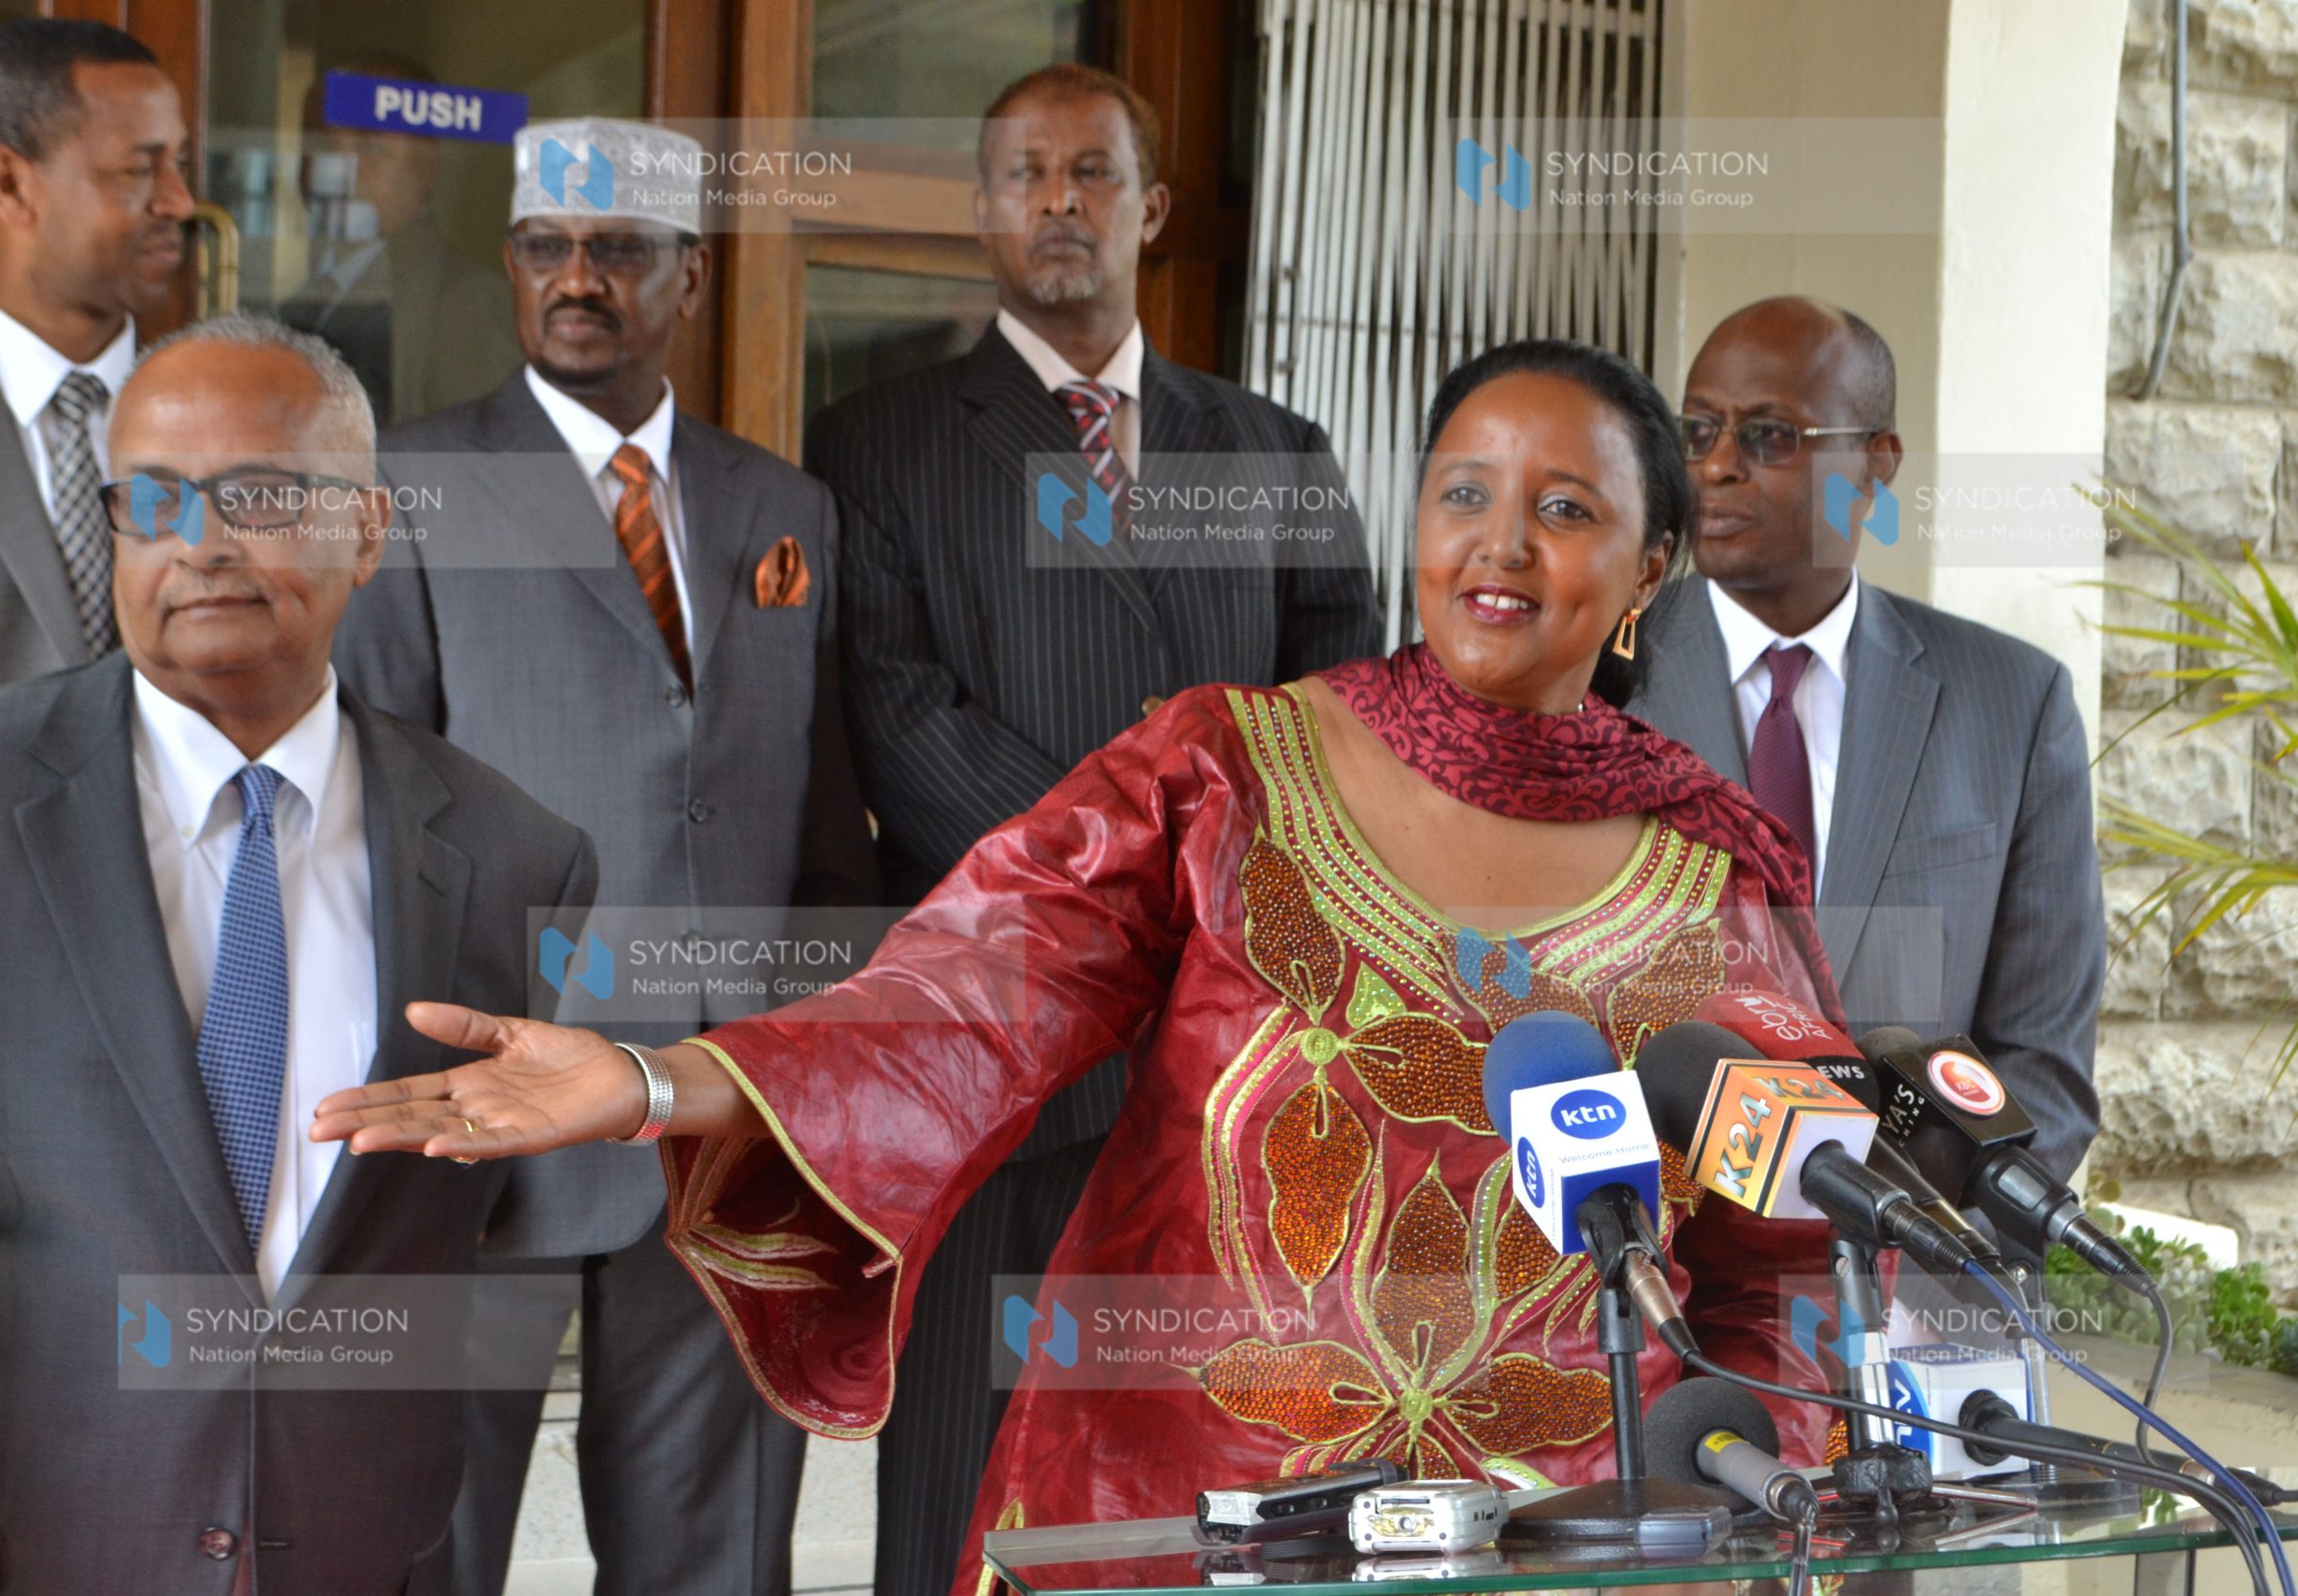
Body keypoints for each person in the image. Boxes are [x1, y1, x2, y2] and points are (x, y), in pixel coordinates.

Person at [317, 338, 1844, 1595]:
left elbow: (1787, 1266)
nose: (1500, 542)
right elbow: (963, 996)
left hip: (1572, 1553)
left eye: (1567, 506)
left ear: (1651, 564)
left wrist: (1750, 1509)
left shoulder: (1719, 876)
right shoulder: (1226, 771)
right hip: (1192, 1533)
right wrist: (655, 1077)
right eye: (1464, 491)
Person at [802, 65, 1383, 1593]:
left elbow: (1341, 733)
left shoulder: (1274, 450)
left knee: (1208, 1475)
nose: (1060, 201)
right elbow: (900, 714)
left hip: (1227, 1052)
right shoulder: (877, 444)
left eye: (1093, 173)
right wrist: (1129, 884)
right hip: (1005, 1040)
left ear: (1154, 208)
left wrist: (1210, 913)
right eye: (1025, 174)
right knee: (959, 1479)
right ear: (981, 209)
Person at [0, 313, 596, 1593]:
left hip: (357, 1550)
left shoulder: (516, 860)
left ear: (371, 530)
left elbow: (469, 1239)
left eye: (260, 496)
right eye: (153, 499)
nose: (203, 542)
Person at [334, 116, 877, 1596]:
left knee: (711, 1560)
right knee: (421, 1550)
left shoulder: (786, 510)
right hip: (481, 1121)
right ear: (512, 267)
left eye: (619, 249)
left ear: (688, 278)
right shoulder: (416, 482)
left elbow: (826, 839)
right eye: (546, 249)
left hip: (717, 1127)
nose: (579, 278)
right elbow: (364, 814)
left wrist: (799, 1076)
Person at [1627, 296, 2104, 1180]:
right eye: (1697, 431)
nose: (1718, 467)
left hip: (1918, 1269)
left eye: (1769, 435)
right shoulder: (1598, 682)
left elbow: (2043, 1066)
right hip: (1660, 1272)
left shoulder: (2016, 702)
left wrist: (1889, 1231)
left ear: (1875, 462)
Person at [0, 17, 194, 721]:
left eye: (180, 164)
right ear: (9, 184)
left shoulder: (228, 423)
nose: (179, 203)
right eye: (137, 169)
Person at [279, 55, 521, 425]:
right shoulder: (313, 294)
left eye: (371, 147)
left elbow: (470, 460)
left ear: (429, 165)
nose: (337, 170)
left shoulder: (469, 301)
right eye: (321, 143)